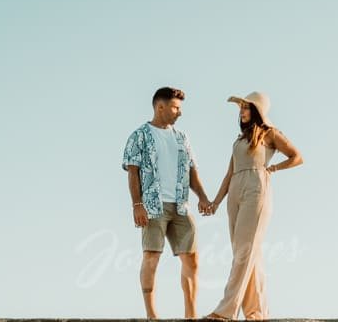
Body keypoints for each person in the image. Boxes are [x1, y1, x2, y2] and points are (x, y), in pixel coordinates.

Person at [203, 91, 303, 321]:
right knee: (249, 254)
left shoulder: (270, 134)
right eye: (241, 108)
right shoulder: (239, 140)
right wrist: (216, 202)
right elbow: (229, 173)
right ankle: (257, 312)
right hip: (235, 192)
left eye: (246, 108)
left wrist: (274, 169)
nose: (241, 111)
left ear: (257, 111)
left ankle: (225, 311)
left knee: (244, 252)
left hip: (257, 189)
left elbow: (296, 156)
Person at [122, 86, 214, 319]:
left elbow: (192, 171)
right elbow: (133, 172)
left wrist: (202, 196)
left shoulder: (182, 137)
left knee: (192, 258)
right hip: (153, 207)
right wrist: (137, 205)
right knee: (151, 256)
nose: (179, 112)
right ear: (160, 106)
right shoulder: (139, 135)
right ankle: (152, 315)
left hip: (181, 207)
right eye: (175, 107)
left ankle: (191, 315)